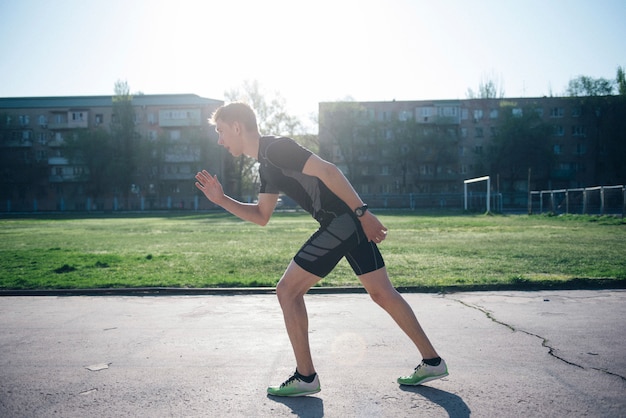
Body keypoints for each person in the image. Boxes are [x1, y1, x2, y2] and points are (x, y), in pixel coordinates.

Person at [195, 102, 447, 397]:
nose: (220, 140)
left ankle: (305, 376)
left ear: (237, 127)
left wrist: (363, 213)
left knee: (287, 291)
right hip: (347, 223)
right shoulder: (267, 165)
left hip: (341, 222)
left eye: (221, 131)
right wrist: (222, 200)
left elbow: (329, 171)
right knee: (382, 293)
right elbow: (262, 216)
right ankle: (432, 361)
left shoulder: (277, 149)